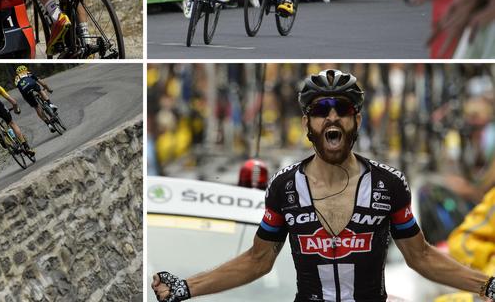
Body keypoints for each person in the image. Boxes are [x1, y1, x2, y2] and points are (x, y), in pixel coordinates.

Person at [152, 69, 495, 302]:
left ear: (356, 119)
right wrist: (186, 286)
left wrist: (488, 285)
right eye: (320, 109)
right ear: (307, 122)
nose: (332, 116)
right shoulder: (284, 188)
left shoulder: (389, 185)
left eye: (342, 108)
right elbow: (257, 260)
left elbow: (421, 257)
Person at [13, 65, 58, 133]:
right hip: (32, 84)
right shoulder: (28, 73)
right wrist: (48, 89)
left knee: (36, 106)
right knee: (40, 91)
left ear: (17, 73)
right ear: (25, 69)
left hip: (24, 91)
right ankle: (50, 104)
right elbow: (42, 83)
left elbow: (20, 89)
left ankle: (48, 124)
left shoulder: (16, 78)